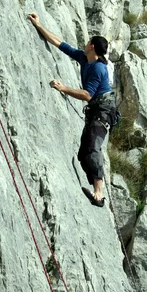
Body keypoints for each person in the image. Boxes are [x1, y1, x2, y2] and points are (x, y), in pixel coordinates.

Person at [28, 13, 117, 207]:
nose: (85, 44)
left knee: (93, 145)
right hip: (96, 111)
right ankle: (95, 186)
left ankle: (99, 193)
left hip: (103, 112)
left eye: (87, 42)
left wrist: (63, 88)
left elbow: (87, 95)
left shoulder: (98, 69)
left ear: (92, 45)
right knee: (83, 154)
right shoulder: (85, 59)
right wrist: (38, 25)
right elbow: (61, 44)